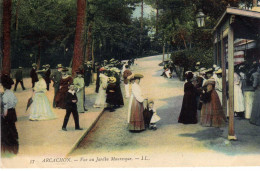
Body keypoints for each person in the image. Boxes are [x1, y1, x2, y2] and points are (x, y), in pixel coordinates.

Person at [1, 74, 19, 155]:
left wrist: (4, 114)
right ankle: (14, 138)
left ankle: (9, 143)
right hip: (12, 111)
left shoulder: (5, 95)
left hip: (7, 112)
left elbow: (5, 105)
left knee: (7, 127)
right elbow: (15, 101)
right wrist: (12, 106)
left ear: (4, 86)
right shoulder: (11, 93)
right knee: (12, 125)